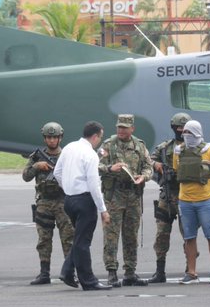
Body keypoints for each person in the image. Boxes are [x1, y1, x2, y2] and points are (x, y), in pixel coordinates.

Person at [53, 121, 112, 291]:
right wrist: (103, 210)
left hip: (69, 200)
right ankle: (88, 280)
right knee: (83, 242)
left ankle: (68, 270)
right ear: (95, 136)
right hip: (85, 201)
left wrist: (68, 188)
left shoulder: (70, 147)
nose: (100, 140)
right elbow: (94, 185)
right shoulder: (91, 154)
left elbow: (57, 172)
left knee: (79, 239)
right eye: (100, 137)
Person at [99, 114, 153, 287]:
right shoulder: (108, 145)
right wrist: (110, 168)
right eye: (119, 127)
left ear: (132, 129)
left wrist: (143, 177)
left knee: (131, 236)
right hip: (114, 196)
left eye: (124, 127)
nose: (121, 130)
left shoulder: (139, 145)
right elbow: (96, 166)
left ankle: (130, 272)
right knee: (111, 235)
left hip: (133, 196)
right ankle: (112, 272)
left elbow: (148, 166)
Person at [173, 120, 210, 284]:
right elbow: (177, 171)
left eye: (190, 133)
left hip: (207, 201)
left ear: (198, 133)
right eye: (185, 133)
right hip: (185, 201)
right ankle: (191, 273)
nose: (187, 136)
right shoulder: (178, 152)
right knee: (189, 237)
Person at [22, 122, 74, 285]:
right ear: (44, 139)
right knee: (44, 239)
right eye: (49, 137)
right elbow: (26, 176)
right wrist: (37, 166)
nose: (52, 140)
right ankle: (44, 273)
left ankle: (69, 272)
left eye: (55, 137)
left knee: (68, 239)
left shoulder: (67, 156)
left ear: (60, 138)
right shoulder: (36, 157)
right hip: (44, 202)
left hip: (62, 202)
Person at [148, 112, 191, 283]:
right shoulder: (165, 147)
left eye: (184, 128)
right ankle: (160, 272)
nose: (181, 131)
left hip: (186, 196)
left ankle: (190, 269)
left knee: (188, 235)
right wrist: (156, 164)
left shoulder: (195, 148)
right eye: (178, 128)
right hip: (166, 196)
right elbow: (148, 160)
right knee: (161, 235)